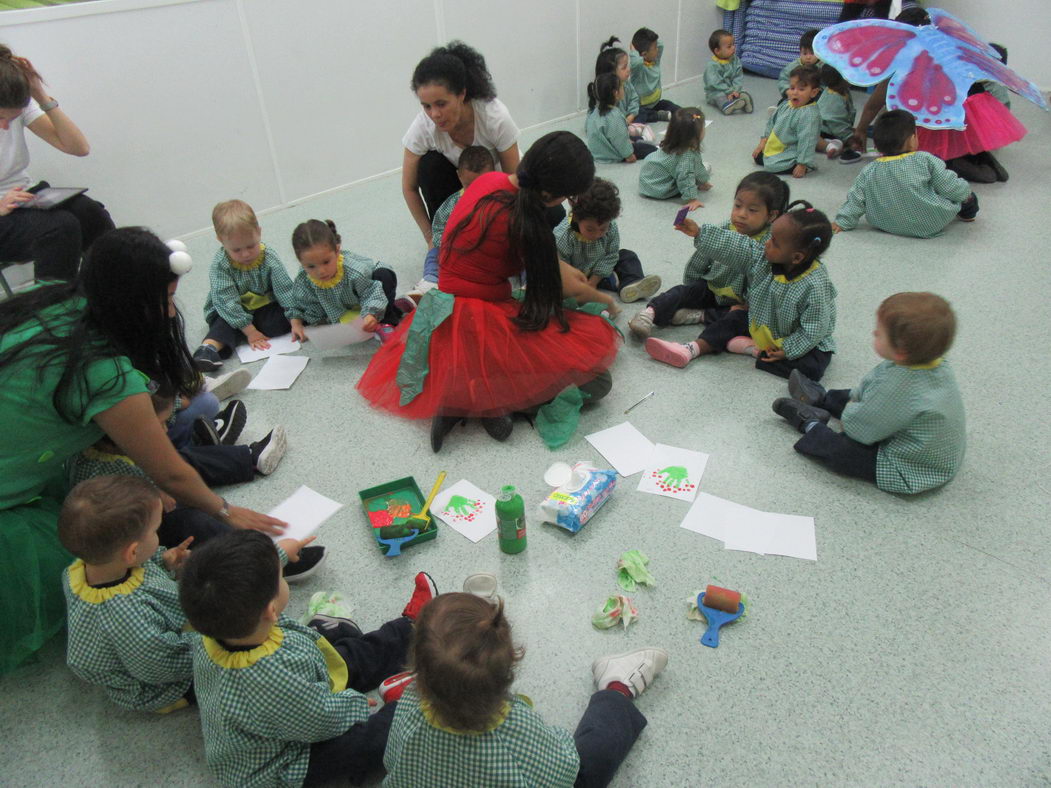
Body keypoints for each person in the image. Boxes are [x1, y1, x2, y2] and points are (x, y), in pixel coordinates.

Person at [0, 227, 290, 676]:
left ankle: (215, 457)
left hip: (47, 449)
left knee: (185, 434)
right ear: (129, 301)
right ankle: (251, 547)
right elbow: (168, 475)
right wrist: (227, 511)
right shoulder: (102, 372)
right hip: (11, 491)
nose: (171, 310)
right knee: (144, 517)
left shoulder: (62, 297)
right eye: (164, 299)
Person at [356, 131, 619, 453]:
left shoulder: (488, 181)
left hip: (442, 310)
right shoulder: (524, 219)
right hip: (480, 316)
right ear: (553, 194)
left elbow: (552, 269)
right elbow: (560, 283)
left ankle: (469, 396)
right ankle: (488, 399)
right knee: (597, 381)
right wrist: (605, 299)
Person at [179, 530, 438, 788]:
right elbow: (320, 719)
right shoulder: (272, 678)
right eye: (281, 577)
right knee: (369, 739)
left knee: (345, 656)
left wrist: (278, 555)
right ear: (271, 610)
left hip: (291, 704)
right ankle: (411, 703)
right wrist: (354, 703)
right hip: (284, 761)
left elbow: (235, 577)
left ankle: (410, 628)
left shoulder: (213, 627)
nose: (283, 578)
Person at [382, 592, 668, 788]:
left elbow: (390, 761)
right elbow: (565, 770)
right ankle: (617, 687)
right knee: (589, 765)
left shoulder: (409, 704)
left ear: (416, 673)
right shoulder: (515, 732)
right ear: (508, 672)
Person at [773, 292, 965, 494]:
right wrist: (856, 401)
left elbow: (859, 431)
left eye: (878, 333)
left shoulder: (901, 391)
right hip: (914, 437)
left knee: (843, 453)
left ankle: (810, 423)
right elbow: (873, 390)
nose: (873, 333)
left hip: (911, 467)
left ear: (901, 351)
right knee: (856, 395)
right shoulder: (931, 363)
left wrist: (851, 414)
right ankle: (823, 399)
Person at [67, 393, 289, 550]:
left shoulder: (121, 434)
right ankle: (260, 555)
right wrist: (160, 492)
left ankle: (249, 458)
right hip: (146, 519)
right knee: (193, 520)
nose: (164, 429)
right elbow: (153, 499)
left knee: (182, 459)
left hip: (152, 484)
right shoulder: (103, 471)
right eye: (160, 424)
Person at [645, 201, 837, 381]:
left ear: (796, 257)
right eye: (770, 237)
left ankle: (753, 349)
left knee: (812, 369)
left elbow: (815, 328)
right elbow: (737, 247)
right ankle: (691, 349)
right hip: (762, 323)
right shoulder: (764, 256)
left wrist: (788, 349)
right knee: (732, 319)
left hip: (795, 338)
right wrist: (699, 233)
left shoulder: (814, 287)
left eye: (775, 242)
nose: (767, 243)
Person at [59, 476, 196, 714]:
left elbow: (143, 569)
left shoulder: (83, 568)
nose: (158, 536)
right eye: (155, 530)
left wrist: (163, 561)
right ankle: (175, 700)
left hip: (147, 647)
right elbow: (161, 666)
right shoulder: (127, 615)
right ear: (132, 552)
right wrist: (208, 640)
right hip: (158, 682)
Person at [848, 8, 1024, 183]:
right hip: (973, 110)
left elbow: (876, 101)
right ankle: (977, 156)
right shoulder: (948, 44)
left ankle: (953, 163)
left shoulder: (907, 55)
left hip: (945, 114)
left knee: (921, 140)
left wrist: (861, 128)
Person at [0, 46, 114, 282]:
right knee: (60, 228)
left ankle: (109, 295)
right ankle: (52, 312)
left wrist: (40, 95)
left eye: (12, 119)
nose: (5, 126)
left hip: (22, 198)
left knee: (91, 213)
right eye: (1, 117)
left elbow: (78, 148)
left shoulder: (15, 105)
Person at [629, 171, 789, 339]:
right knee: (681, 292)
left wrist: (749, 304)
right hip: (713, 286)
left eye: (752, 210)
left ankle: (700, 315)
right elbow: (703, 255)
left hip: (739, 301)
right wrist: (692, 281)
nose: (741, 214)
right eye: (737, 206)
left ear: (771, 215)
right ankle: (648, 313)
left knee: (741, 319)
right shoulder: (726, 227)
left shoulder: (770, 243)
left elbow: (764, 280)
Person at [401, 41, 520, 241]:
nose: (435, 114)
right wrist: (431, 238)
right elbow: (409, 188)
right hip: (459, 187)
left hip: (500, 187)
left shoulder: (495, 117)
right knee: (429, 165)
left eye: (441, 104)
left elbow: (515, 181)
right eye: (426, 106)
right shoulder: (423, 126)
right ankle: (446, 236)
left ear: (462, 94)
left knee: (552, 216)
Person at [832, 110, 978, 238]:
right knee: (965, 195)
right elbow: (949, 186)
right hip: (929, 223)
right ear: (912, 139)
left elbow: (856, 199)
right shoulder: (924, 159)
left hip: (884, 223)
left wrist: (843, 221)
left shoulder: (869, 169)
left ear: (877, 145)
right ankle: (967, 214)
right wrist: (966, 194)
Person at [192, 200, 296, 372]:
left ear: (259, 232)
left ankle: (246, 330)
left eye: (251, 246)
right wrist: (249, 331)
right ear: (221, 240)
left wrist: (295, 318)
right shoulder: (221, 265)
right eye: (237, 250)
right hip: (230, 311)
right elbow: (227, 302)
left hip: (263, 306)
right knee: (222, 326)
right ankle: (208, 350)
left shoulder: (268, 256)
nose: (246, 254)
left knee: (279, 323)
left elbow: (284, 289)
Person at [287, 219, 410, 342]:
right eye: (311, 266)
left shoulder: (354, 271)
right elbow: (297, 302)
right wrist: (296, 323)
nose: (321, 271)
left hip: (369, 297)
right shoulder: (303, 279)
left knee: (384, 276)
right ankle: (397, 307)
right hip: (345, 310)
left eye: (326, 262)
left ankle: (388, 320)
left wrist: (370, 314)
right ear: (301, 263)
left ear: (337, 250)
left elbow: (372, 292)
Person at [555, 178, 661, 308]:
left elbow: (611, 255)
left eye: (602, 229)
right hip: (575, 276)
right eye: (590, 229)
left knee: (627, 256)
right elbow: (562, 269)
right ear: (576, 218)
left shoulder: (611, 226)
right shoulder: (563, 236)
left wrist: (594, 281)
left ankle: (630, 284)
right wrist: (582, 287)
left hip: (600, 271)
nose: (597, 234)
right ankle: (616, 283)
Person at [407, 145, 493, 300]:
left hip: (494, 252)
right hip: (460, 254)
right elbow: (439, 229)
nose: (475, 192)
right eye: (469, 185)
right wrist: (449, 242)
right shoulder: (451, 205)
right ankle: (430, 280)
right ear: (459, 176)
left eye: (481, 184)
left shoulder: (500, 199)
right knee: (435, 250)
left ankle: (528, 281)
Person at [752, 65, 821, 178]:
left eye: (801, 89)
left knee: (772, 167)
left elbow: (807, 140)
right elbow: (771, 122)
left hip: (791, 149)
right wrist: (763, 141)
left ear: (813, 92)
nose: (795, 92)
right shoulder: (786, 104)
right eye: (792, 88)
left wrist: (802, 163)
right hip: (777, 144)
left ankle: (806, 165)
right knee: (758, 157)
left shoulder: (809, 115)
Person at [638, 108, 711, 209]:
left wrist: (702, 180)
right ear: (695, 135)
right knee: (698, 169)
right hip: (659, 189)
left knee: (695, 168)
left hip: (647, 182)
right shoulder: (687, 156)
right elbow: (685, 177)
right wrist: (692, 199)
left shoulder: (672, 143)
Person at [585, 73, 656, 163]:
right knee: (650, 149)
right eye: (622, 87)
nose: (624, 89)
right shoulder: (614, 116)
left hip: (598, 154)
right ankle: (647, 141)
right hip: (612, 156)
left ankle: (641, 138)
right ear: (616, 93)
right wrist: (629, 156)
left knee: (631, 139)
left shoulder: (594, 112)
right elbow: (620, 140)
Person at [629, 28, 680, 123]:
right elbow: (635, 62)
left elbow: (661, 45)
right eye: (655, 48)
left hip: (655, 104)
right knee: (640, 116)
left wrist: (651, 39)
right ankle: (657, 116)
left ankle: (685, 114)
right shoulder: (638, 69)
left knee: (669, 105)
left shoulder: (655, 61)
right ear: (644, 54)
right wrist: (633, 49)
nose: (658, 49)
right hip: (640, 107)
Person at [816, 65, 860, 162]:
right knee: (814, 139)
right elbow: (837, 123)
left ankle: (834, 143)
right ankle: (828, 146)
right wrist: (849, 138)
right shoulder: (834, 100)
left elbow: (844, 117)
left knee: (844, 137)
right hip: (823, 130)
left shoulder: (843, 91)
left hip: (833, 130)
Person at [704, 29, 753, 115]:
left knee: (743, 91)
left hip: (732, 89)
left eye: (733, 44)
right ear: (717, 51)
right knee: (718, 96)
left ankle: (744, 102)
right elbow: (715, 83)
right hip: (717, 91)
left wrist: (736, 90)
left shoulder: (735, 60)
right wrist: (728, 91)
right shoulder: (712, 66)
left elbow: (738, 76)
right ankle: (727, 106)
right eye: (729, 46)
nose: (733, 47)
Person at [595, 37, 640, 125]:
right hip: (615, 124)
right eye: (624, 67)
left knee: (643, 113)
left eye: (627, 66)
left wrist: (631, 116)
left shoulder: (626, 83)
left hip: (628, 118)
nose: (628, 70)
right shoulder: (604, 92)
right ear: (610, 73)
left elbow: (634, 99)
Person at [777, 30, 823, 96]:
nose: (808, 57)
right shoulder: (794, 66)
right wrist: (787, 90)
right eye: (804, 53)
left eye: (812, 53)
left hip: (814, 97)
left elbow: (825, 85)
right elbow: (783, 79)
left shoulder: (822, 67)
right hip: (795, 96)